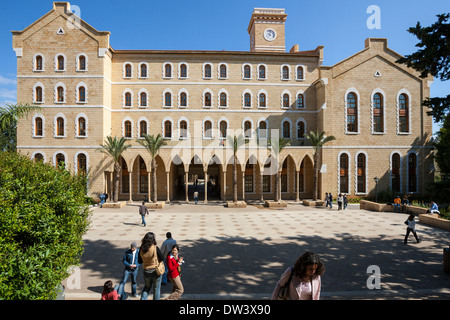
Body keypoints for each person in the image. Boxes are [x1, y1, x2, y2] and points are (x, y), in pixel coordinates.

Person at [138, 232, 164, 300]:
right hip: (155, 271)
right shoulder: (155, 248)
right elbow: (162, 258)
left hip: (146, 271)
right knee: (156, 289)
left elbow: (139, 261)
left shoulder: (141, 249)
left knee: (146, 287)